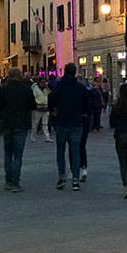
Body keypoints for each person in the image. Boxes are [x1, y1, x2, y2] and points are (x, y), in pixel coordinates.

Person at [0, 68, 37, 192]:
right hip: (21, 124)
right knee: (18, 155)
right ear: (19, 76)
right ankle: (15, 182)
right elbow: (33, 105)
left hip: (7, 124)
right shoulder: (25, 89)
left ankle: (8, 181)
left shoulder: (3, 89)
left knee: (8, 153)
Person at [48, 63, 88, 191]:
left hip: (62, 122)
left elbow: (51, 99)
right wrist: (83, 113)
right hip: (76, 122)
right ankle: (75, 179)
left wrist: (53, 111)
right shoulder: (80, 87)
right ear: (75, 72)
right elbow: (88, 102)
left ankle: (62, 177)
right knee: (75, 151)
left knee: (61, 151)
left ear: (65, 71)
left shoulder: (59, 86)